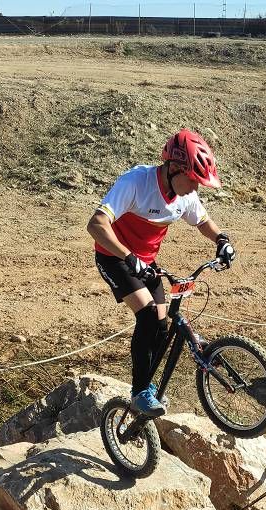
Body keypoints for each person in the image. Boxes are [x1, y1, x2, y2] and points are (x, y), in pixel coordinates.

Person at [88, 129, 236, 417]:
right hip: (114, 257)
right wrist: (129, 257)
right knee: (146, 314)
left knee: (162, 324)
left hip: (145, 262)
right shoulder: (136, 182)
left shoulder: (185, 194)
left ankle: (148, 389)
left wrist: (222, 240)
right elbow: (96, 225)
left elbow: (203, 221)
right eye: (193, 180)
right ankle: (139, 392)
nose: (196, 188)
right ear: (174, 168)